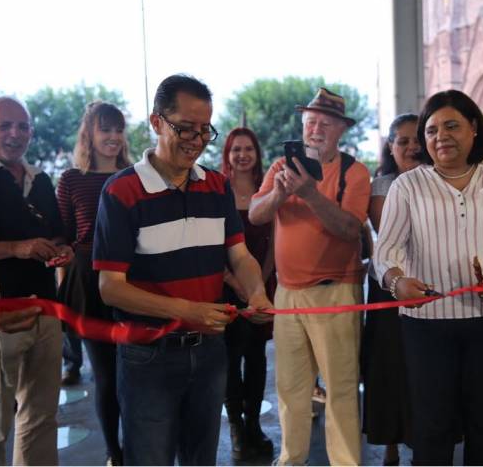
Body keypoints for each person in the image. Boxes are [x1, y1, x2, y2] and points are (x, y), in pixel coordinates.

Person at [93, 74, 272, 466]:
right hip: (147, 356)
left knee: (201, 457)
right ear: (156, 122)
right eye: (185, 128)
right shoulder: (122, 192)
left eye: (205, 130)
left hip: (209, 352)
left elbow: (239, 256)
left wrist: (255, 291)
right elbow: (111, 287)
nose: (196, 139)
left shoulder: (216, 186)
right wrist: (187, 311)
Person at [373, 90, 483, 465]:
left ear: (474, 129)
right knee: (432, 426)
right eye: (430, 131)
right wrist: (398, 282)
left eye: (451, 126)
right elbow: (385, 253)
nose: (440, 136)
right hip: (427, 324)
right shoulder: (408, 186)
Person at [249, 87, 371, 465]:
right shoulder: (280, 167)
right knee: (290, 388)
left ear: (340, 130)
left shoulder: (355, 171)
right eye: (310, 122)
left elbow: (350, 229)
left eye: (325, 123)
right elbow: (256, 214)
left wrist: (311, 194)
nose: (315, 129)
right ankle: (291, 459)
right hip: (287, 293)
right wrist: (280, 195)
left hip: (335, 292)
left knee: (340, 389)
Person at [0, 96, 73, 465]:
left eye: (22, 126)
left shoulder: (41, 179)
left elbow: (58, 235)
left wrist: (65, 252)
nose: (15, 134)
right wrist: (17, 247)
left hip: (46, 310)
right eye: (4, 126)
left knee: (42, 417)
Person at [56, 101, 132, 464]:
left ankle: (138, 446)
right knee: (104, 373)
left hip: (133, 279)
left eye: (118, 129)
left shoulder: (136, 176)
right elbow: (64, 236)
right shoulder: (71, 179)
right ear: (90, 133)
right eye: (106, 129)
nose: (113, 137)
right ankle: (114, 453)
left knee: (134, 370)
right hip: (87, 280)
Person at [361, 113, 420, 465]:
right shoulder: (382, 185)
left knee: (426, 366)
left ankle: (421, 437)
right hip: (390, 285)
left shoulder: (440, 180)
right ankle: (391, 444)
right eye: (404, 141)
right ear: (391, 146)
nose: (412, 147)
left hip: (432, 286)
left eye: (418, 140)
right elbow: (392, 237)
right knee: (389, 366)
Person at [219, 127, 276, 461]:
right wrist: (236, 283)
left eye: (248, 149)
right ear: (227, 154)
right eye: (235, 149)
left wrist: (260, 284)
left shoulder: (264, 190)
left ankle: (254, 423)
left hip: (260, 288)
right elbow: (215, 245)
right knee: (229, 361)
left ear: (256, 154)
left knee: (256, 358)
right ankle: (237, 427)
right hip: (225, 287)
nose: (242, 155)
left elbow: (273, 241)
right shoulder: (219, 192)